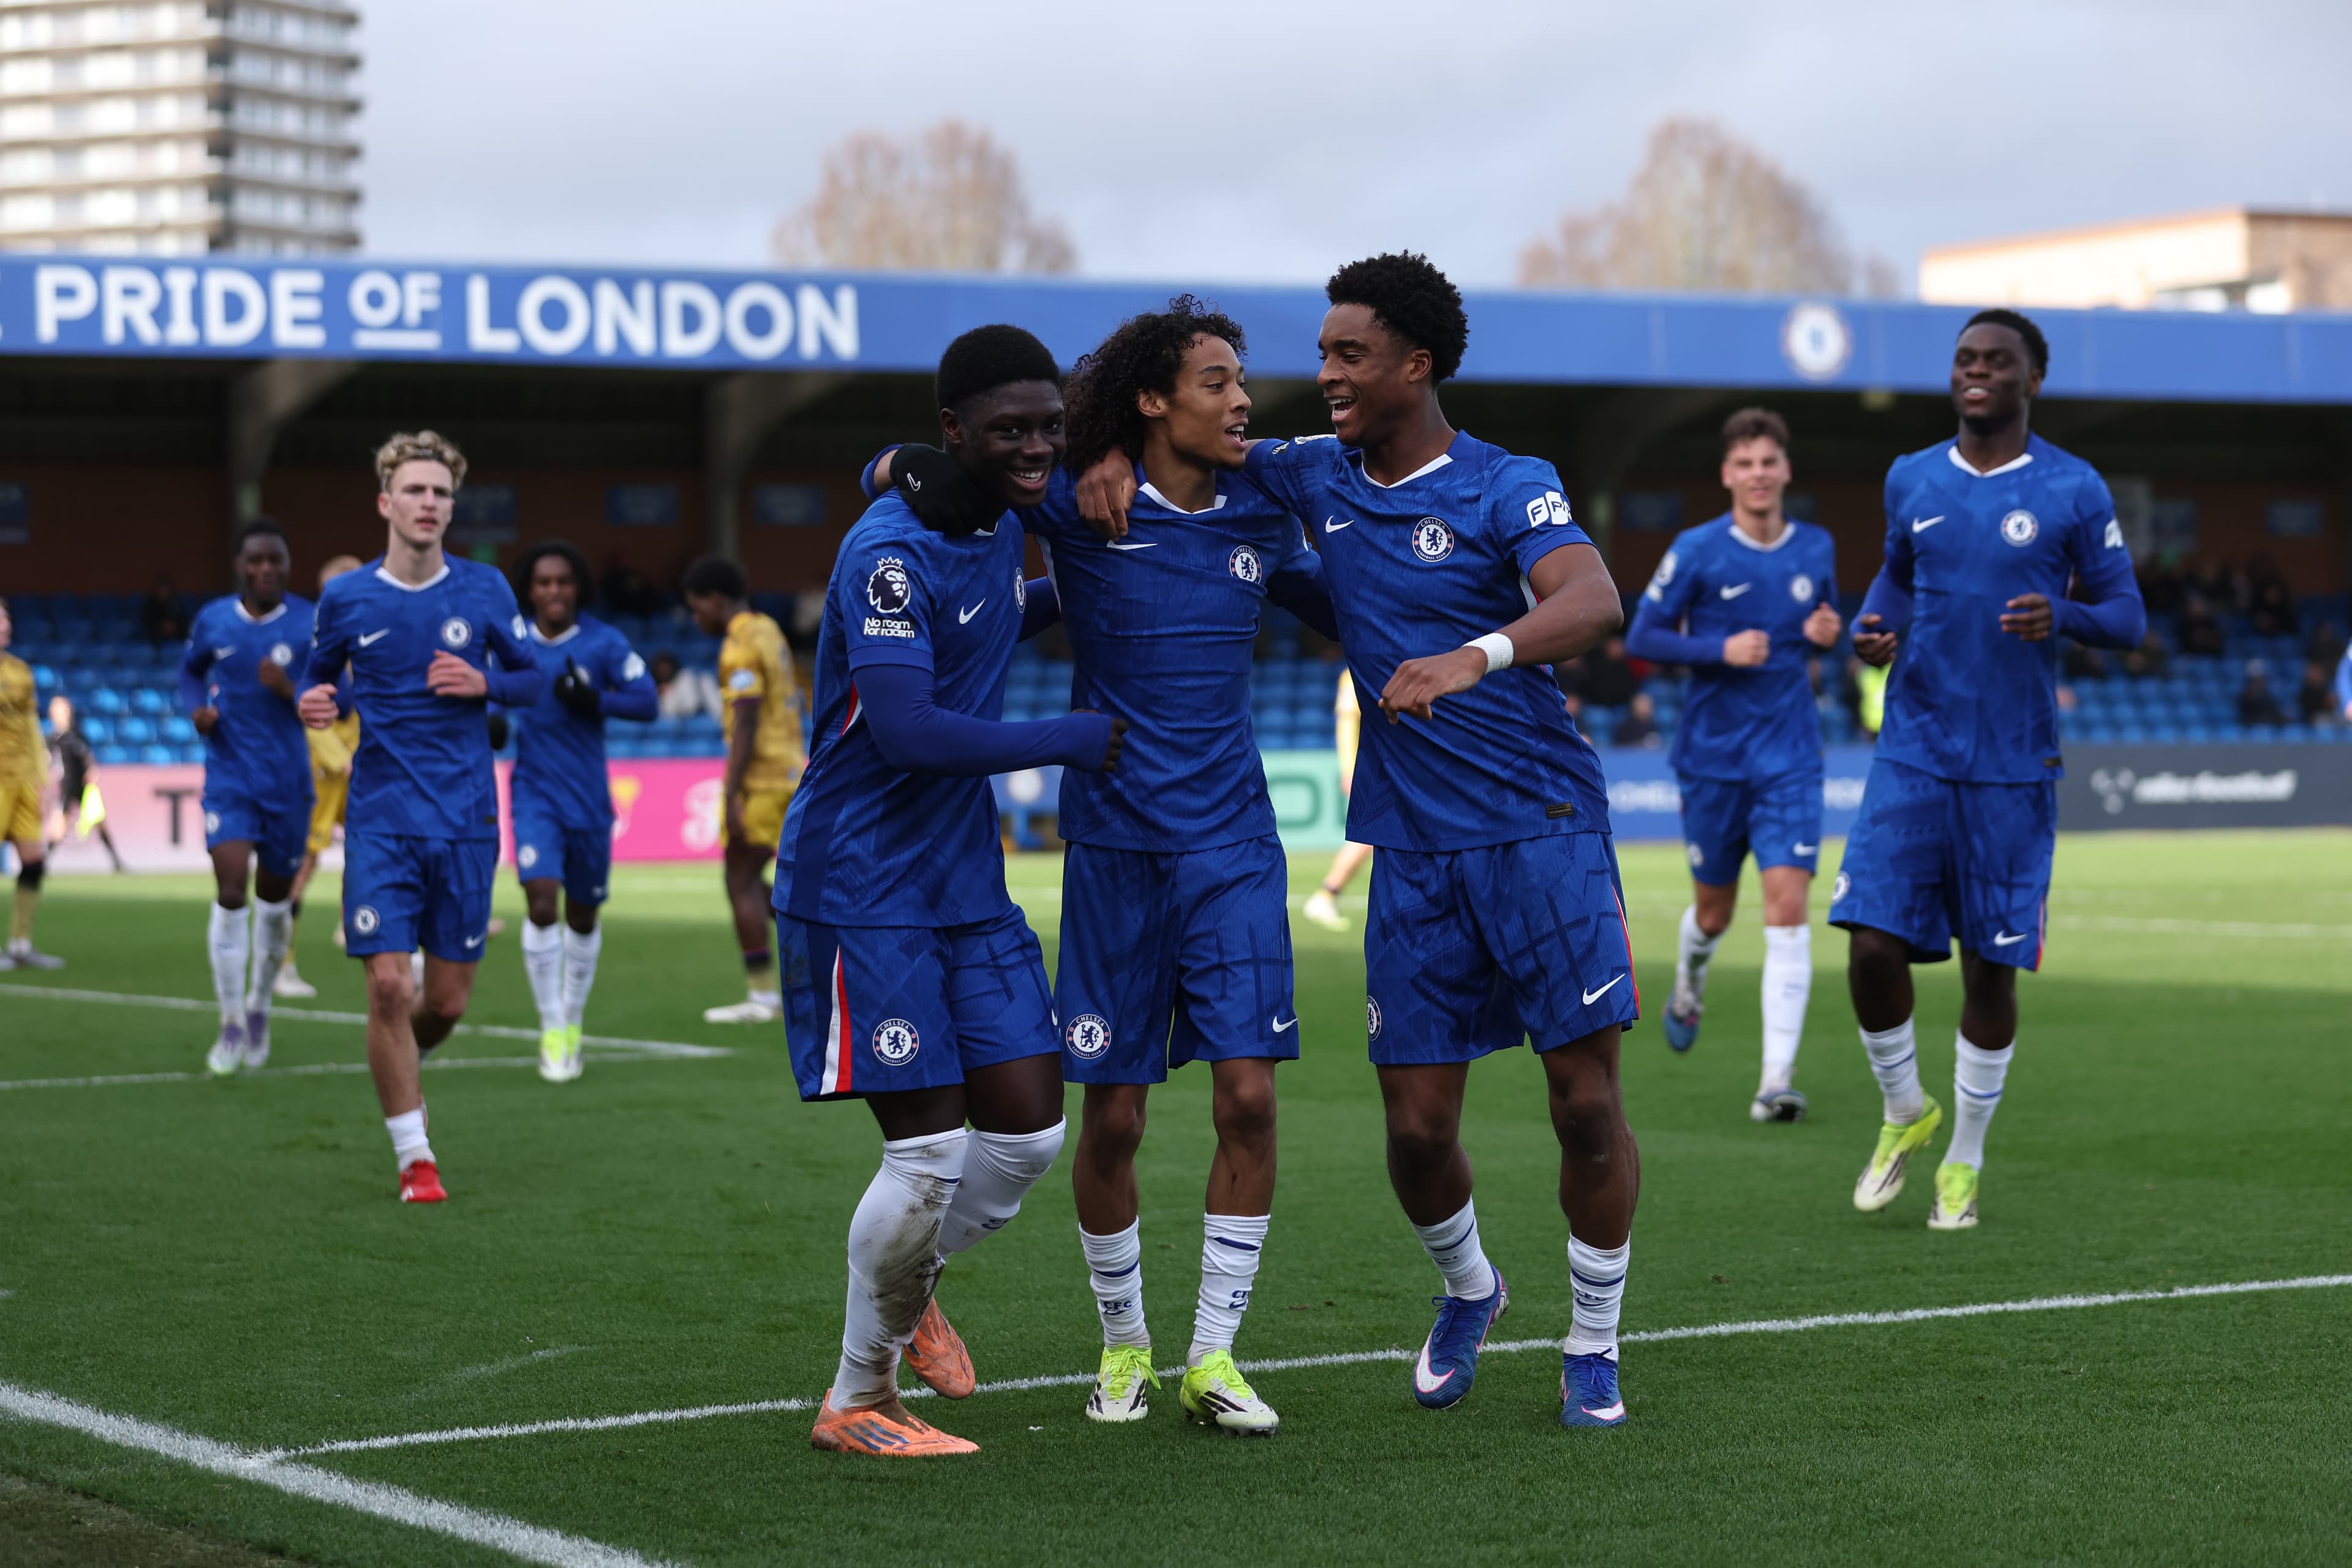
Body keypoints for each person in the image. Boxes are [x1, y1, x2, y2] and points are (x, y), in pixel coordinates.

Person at [1080, 254, 1640, 1430]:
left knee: (1585, 1105)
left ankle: (1593, 1341)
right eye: (1324, 353)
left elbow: (1593, 602)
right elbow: (1178, 435)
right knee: (1418, 1132)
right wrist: (1106, 454)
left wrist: (1475, 656)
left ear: (1415, 364)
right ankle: (1472, 1287)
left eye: (1350, 355)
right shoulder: (1310, 473)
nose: (1325, 374)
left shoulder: (1506, 483)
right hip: (1413, 848)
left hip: (1541, 826)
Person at [875, 298, 1336, 1433]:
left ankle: (1214, 1358)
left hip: (1234, 845)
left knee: (1248, 1098)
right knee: (1115, 1118)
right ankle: (1125, 1347)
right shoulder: (1078, 504)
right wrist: (1091, 458)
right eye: (1218, 382)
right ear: (1151, 399)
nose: (1243, 400)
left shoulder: (1265, 506)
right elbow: (901, 467)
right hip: (1116, 852)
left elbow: (1349, 601)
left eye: (1243, 381)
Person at [780, 325, 1123, 1458]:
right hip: (861, 880)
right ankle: (857, 1398)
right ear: (954, 432)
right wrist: (1067, 736)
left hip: (964, 880)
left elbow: (992, 615)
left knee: (1028, 1133)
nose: (1036, 448)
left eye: (1049, 428)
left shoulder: (998, 519)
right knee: (926, 1157)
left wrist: (1079, 590)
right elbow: (909, 730)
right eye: (1009, 430)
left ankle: (911, 1276)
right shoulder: (888, 551)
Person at [1833, 309, 2145, 1231]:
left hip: (2013, 764)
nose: (1977, 371)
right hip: (1914, 748)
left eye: (1997, 360)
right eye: (1966, 358)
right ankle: (1904, 1108)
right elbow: (1895, 575)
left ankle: (1963, 1159)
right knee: (1870, 944)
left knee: (1989, 971)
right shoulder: (1911, 476)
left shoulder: (2073, 488)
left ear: (2031, 379)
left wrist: (2064, 614)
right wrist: (1875, 626)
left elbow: (2127, 617)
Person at [298, 431, 543, 1204]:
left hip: (466, 819)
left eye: (441, 492)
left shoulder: (486, 589)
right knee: (386, 988)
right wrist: (316, 702)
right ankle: (416, 1157)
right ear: (386, 502)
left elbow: (534, 679)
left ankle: (405, 1061)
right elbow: (318, 680)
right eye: (415, 490)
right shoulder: (346, 598)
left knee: (444, 1003)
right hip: (380, 820)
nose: (429, 502)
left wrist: (484, 683)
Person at [1625, 406, 1842, 1121]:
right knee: (1714, 913)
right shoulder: (1697, 549)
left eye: (1768, 462)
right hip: (1713, 758)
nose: (1758, 474)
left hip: (1791, 755)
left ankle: (1775, 1080)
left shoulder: (1817, 546)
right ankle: (1690, 977)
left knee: (1788, 909)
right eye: (1745, 463)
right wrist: (1718, 649)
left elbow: (1823, 628)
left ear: (1786, 470)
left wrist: (1828, 633)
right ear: (1727, 474)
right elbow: (1644, 636)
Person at [507, 540, 658, 1081]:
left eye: (563, 581)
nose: (554, 591)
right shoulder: (512, 640)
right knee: (541, 901)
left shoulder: (604, 641)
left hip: (589, 800)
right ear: (529, 589)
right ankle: (552, 1027)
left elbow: (648, 702)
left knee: (583, 915)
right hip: (533, 795)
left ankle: (573, 1016)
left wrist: (596, 699)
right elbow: (484, 692)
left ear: (578, 588)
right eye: (543, 582)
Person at [182, 518, 316, 1074]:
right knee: (231, 888)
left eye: (275, 560)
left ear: (287, 565)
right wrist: (198, 712)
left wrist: (292, 690)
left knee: (275, 902)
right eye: (255, 560)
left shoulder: (310, 622)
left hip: (288, 784)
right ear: (239, 565)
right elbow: (190, 673)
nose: (266, 569)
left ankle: (260, 1004)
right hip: (230, 778)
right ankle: (231, 1020)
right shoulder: (214, 620)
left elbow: (344, 698)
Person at [682, 557, 807, 1023]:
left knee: (739, 878)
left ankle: (762, 997)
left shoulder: (738, 646)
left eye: (697, 607)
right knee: (765, 883)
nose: (695, 617)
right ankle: (816, 943)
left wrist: (731, 792)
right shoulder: (769, 628)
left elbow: (748, 718)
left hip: (761, 782)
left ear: (715, 600)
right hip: (792, 771)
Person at [276, 554, 364, 998]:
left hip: (358, 762)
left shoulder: (370, 639)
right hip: (321, 770)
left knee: (381, 846)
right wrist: (340, 757)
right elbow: (309, 710)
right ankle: (281, 964)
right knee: (302, 866)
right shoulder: (312, 642)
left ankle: (356, 925)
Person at [0, 597, 62, 970]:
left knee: (34, 862)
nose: (6, 625)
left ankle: (20, 944)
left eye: (6, 618)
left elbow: (31, 727)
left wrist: (43, 779)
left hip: (24, 779)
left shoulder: (21, 672)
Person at [1300, 668, 1373, 932]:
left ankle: (1326, 896)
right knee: (1371, 835)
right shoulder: (1354, 671)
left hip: (1383, 765)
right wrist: (1349, 770)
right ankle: (1326, 895)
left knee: (1375, 834)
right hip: (1371, 767)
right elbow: (1347, 721)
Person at [45, 696, 124, 873]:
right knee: (60, 825)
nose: (66, 714)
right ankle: (42, 865)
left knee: (98, 820)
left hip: (84, 786)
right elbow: (47, 760)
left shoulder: (78, 734)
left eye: (67, 710)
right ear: (53, 714)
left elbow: (87, 757)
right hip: (67, 786)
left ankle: (117, 862)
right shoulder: (52, 739)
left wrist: (92, 769)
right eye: (62, 711)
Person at [140, 575, 187, 647]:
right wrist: (161, 626)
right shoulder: (150, 604)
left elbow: (182, 618)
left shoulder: (175, 602)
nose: (164, 593)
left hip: (176, 634)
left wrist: (174, 626)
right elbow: (147, 621)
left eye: (166, 590)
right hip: (156, 635)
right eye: (161, 590)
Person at [2235, 660, 2286, 728]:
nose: (2263, 681)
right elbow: (2247, 716)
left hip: (2268, 726)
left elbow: (2273, 711)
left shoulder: (2267, 695)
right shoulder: (2245, 697)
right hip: (2252, 728)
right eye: (2260, 678)